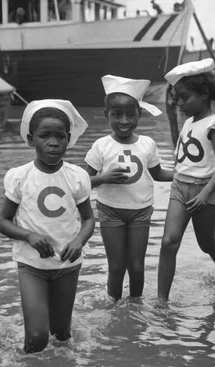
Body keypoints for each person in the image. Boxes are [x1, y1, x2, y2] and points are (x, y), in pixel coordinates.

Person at [0, 99, 95, 353]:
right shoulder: (19, 177)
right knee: (38, 337)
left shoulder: (77, 177)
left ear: (68, 139)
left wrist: (78, 241)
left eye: (60, 136)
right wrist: (28, 235)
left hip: (67, 264)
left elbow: (88, 219)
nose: (53, 142)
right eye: (45, 136)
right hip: (32, 266)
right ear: (31, 140)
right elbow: (3, 223)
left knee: (62, 336)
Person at [85, 75, 173, 301]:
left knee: (137, 267)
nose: (124, 121)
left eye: (130, 115)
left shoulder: (147, 144)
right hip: (110, 210)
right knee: (115, 267)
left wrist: (183, 174)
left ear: (139, 115)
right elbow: (83, 181)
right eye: (116, 115)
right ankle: (114, 309)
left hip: (141, 212)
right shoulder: (101, 146)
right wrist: (104, 178)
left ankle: (134, 307)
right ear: (106, 116)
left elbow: (158, 174)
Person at [157, 58, 215, 302]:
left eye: (184, 97)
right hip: (180, 186)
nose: (180, 103)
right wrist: (170, 113)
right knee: (169, 242)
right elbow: (181, 150)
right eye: (177, 98)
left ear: (204, 93)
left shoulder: (214, 124)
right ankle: (161, 301)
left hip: (204, 191)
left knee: (206, 243)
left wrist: (205, 193)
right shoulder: (189, 122)